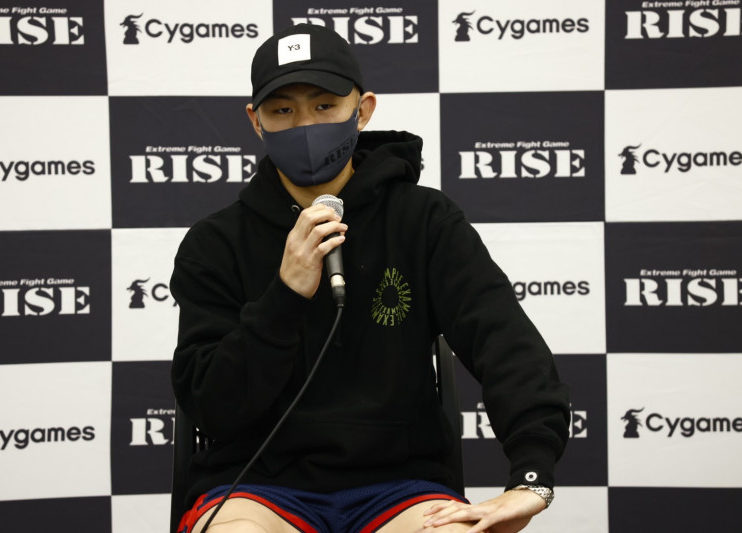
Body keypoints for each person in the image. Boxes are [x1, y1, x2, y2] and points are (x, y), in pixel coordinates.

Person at [170, 23, 570, 533]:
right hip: (255, 486)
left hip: (401, 485)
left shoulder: (424, 220)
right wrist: (284, 297)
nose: (304, 125)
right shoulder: (214, 242)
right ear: (256, 121)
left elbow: (504, 342)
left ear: (363, 110)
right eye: (283, 110)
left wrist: (532, 478)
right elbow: (212, 406)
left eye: (324, 105)